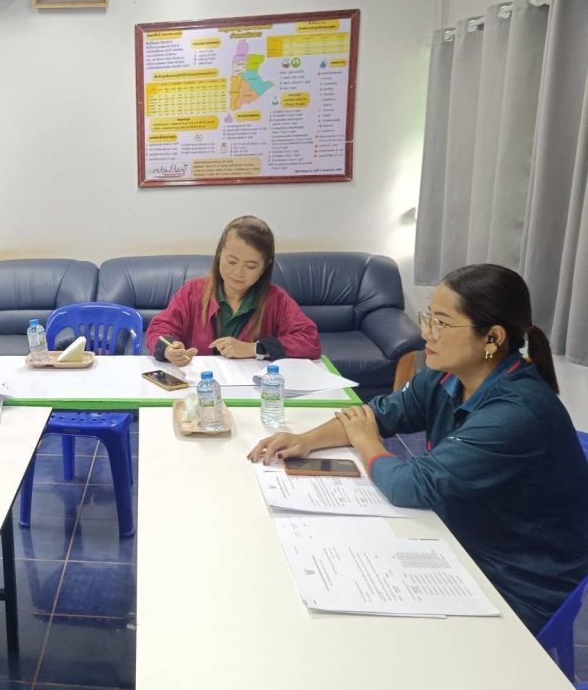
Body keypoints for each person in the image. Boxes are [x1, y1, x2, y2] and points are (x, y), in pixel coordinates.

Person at [250, 264, 588, 633]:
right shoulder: (447, 376)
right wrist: (306, 439)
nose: (426, 332)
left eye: (442, 323)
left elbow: (409, 485)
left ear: (492, 337)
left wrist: (366, 442)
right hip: (460, 539)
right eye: (428, 318)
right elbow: (376, 414)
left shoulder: (516, 413)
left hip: (515, 581)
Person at [146, 215, 321, 366]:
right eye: (231, 261)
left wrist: (254, 348)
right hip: (200, 385)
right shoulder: (192, 292)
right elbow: (159, 328)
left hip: (253, 388)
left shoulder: (276, 300)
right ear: (219, 255)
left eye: (250, 266)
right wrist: (169, 349)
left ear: (264, 267)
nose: (238, 273)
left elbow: (310, 340)